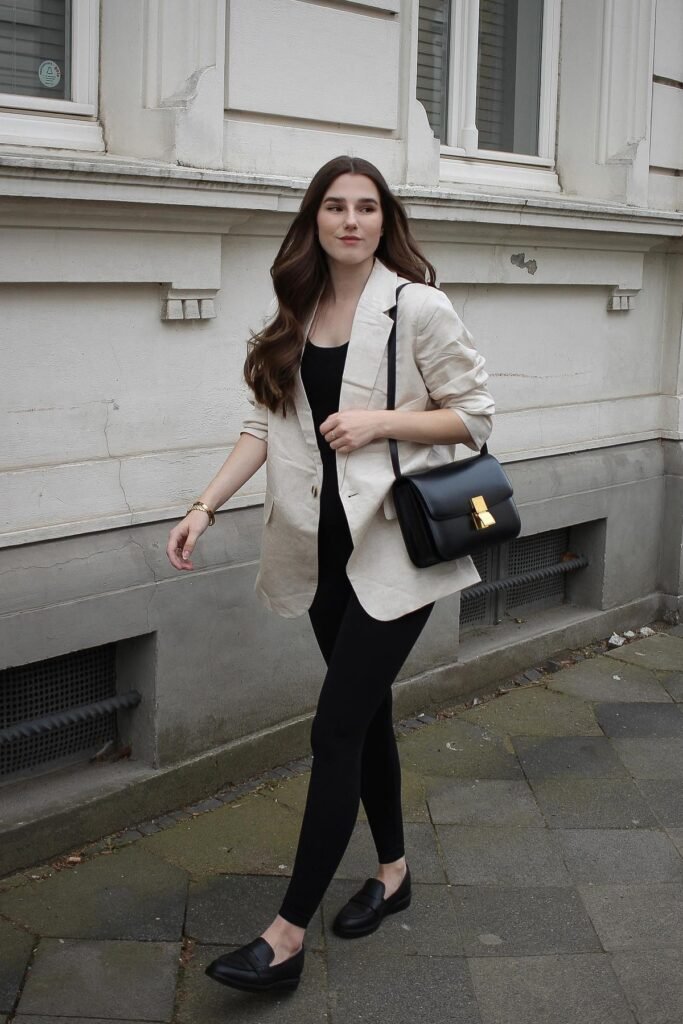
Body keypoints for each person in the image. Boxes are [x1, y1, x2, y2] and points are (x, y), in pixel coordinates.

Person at [166, 155, 495, 993]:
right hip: (322, 557)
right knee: (368, 717)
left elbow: (477, 416)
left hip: (393, 552)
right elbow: (259, 423)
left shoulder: (416, 306)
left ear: (386, 222)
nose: (351, 220)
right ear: (314, 220)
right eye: (335, 207)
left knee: (333, 729)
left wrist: (379, 420)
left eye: (367, 207)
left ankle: (283, 936)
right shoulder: (296, 310)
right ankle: (392, 873)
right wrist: (203, 506)